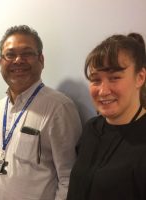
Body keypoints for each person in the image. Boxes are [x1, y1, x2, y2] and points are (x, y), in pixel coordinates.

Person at [0, 25, 82, 200]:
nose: (18, 60)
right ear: (1, 62)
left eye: (27, 53)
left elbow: (70, 178)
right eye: (10, 54)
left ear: (41, 59)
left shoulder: (59, 107)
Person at [66, 33, 146, 200]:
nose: (103, 91)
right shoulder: (91, 129)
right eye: (95, 80)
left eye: (115, 78)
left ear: (140, 77)